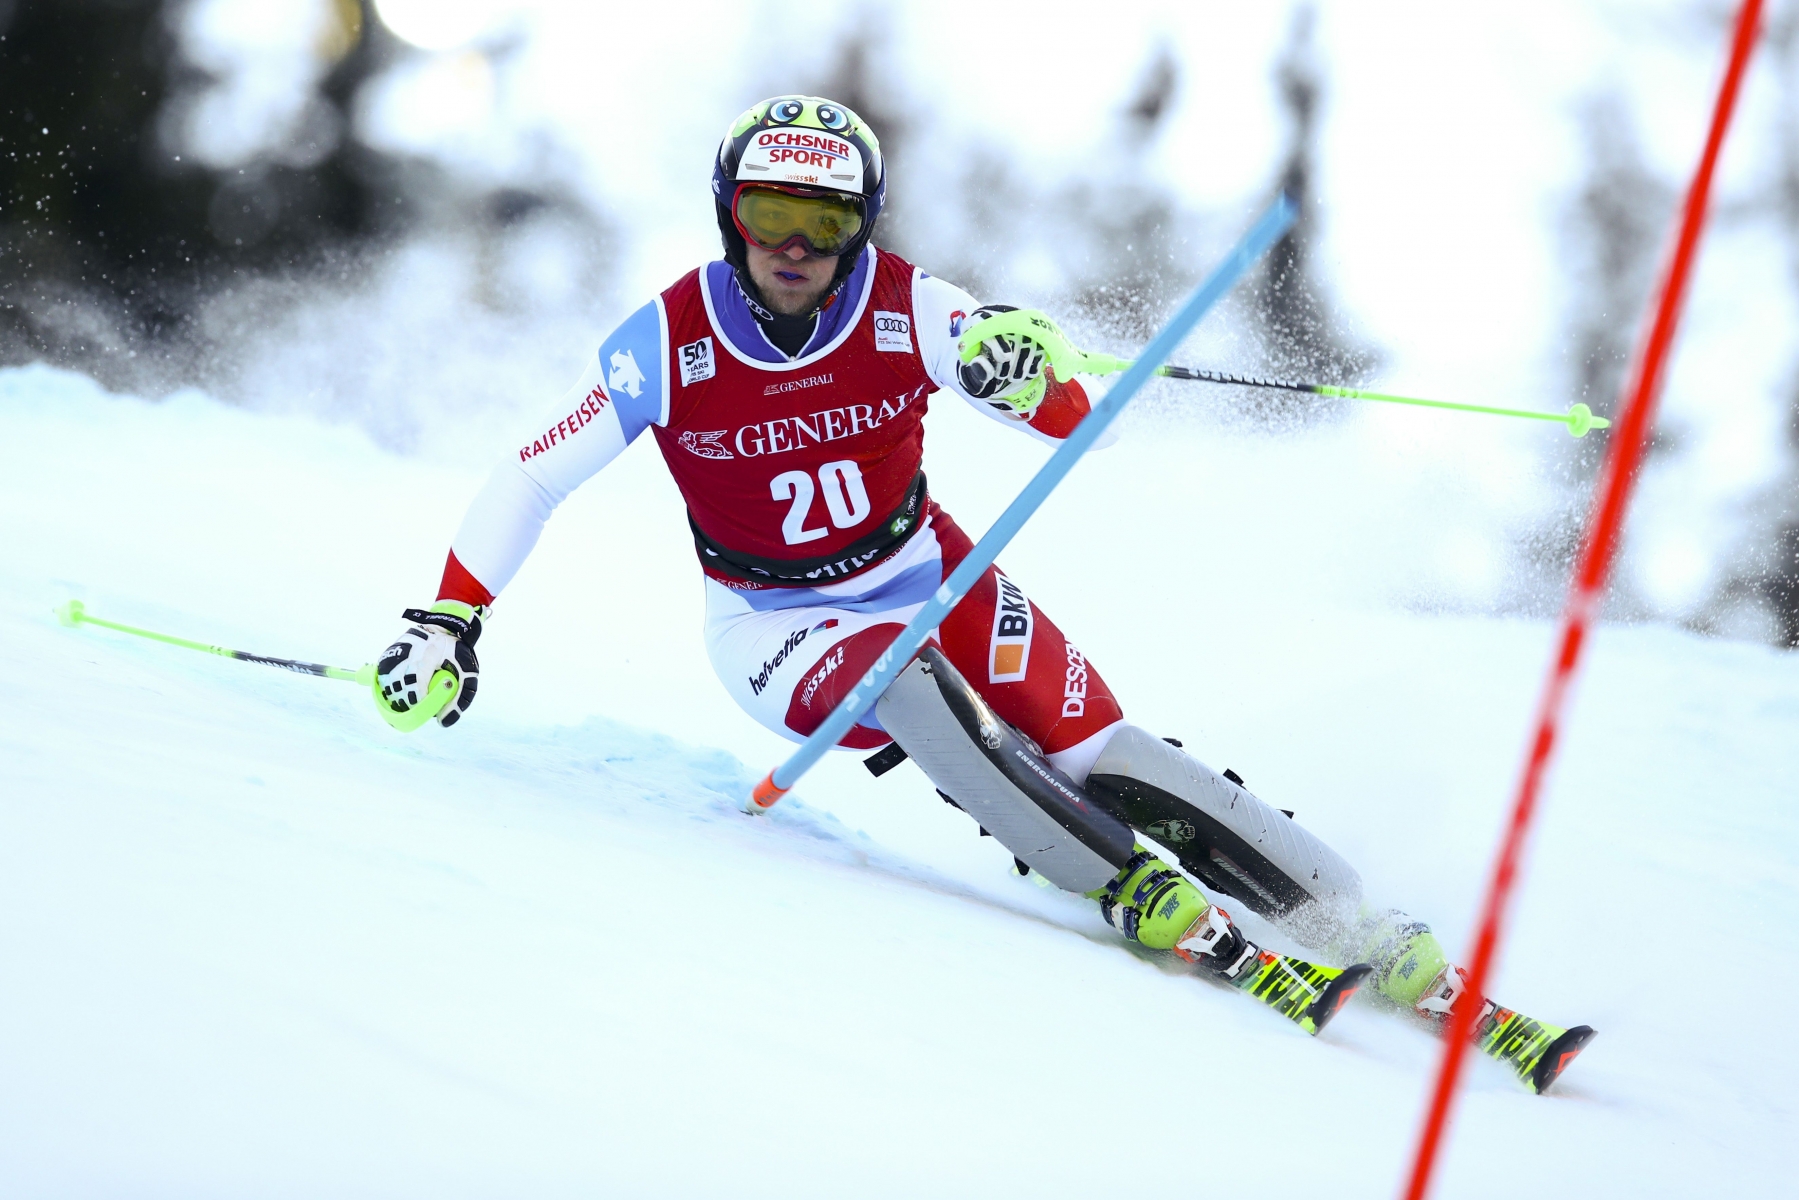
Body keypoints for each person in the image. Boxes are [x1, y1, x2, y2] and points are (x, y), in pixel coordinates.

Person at [375, 96, 1592, 1090]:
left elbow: (1082, 425)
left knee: (1102, 747)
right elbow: (533, 475)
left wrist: (1026, 371)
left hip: (930, 567)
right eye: (767, 212)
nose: (792, 244)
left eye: (823, 216)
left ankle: (1352, 923)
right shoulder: (667, 340)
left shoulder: (906, 305)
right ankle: (1130, 890)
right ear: (726, 213)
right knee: (911, 688)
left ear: (859, 225)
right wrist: (448, 618)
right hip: (773, 622)